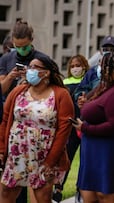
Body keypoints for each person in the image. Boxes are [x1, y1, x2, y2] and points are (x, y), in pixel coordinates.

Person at [0, 55, 74, 203]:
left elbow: (64, 131)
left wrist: (50, 161)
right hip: (17, 153)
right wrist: (2, 150)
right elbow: (5, 120)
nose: (29, 70)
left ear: (45, 73)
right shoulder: (18, 91)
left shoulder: (61, 94)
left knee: (42, 197)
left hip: (45, 155)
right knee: (6, 192)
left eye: (34, 67)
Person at [72, 52, 114, 203]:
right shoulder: (106, 85)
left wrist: (85, 129)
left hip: (109, 149)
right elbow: (95, 103)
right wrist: (85, 104)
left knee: (105, 193)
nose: (100, 70)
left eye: (104, 67)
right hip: (95, 148)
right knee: (88, 191)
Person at [0, 19, 49, 203]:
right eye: (17, 46)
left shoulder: (42, 59)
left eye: (25, 46)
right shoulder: (6, 59)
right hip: (12, 120)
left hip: (35, 122)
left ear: (32, 40)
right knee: (13, 176)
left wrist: (34, 80)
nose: (21, 50)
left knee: (35, 176)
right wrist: (11, 78)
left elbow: (50, 89)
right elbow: (2, 89)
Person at [52, 54, 90, 202]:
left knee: (85, 160)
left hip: (86, 125)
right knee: (66, 158)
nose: (75, 68)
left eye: (78, 65)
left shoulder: (88, 82)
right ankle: (58, 188)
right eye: (72, 66)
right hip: (70, 126)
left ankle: (81, 188)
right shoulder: (65, 83)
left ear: (84, 66)